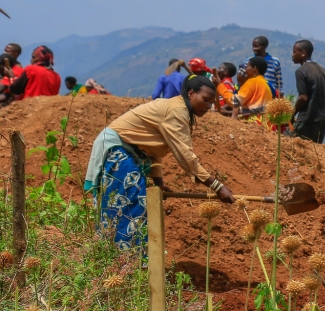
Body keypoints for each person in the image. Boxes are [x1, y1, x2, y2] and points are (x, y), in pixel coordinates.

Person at [83, 75, 235, 249]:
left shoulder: (178, 109)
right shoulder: (176, 111)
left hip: (128, 152)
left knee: (125, 206)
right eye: (206, 100)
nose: (208, 106)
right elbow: (186, 156)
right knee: (127, 207)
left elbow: (152, 151)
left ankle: (121, 260)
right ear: (191, 93)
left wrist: (159, 183)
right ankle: (124, 262)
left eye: (211, 102)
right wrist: (216, 186)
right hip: (118, 151)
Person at [290, 40, 325, 143]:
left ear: (303, 53)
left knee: (292, 145)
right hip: (321, 120)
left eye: (294, 52)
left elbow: (303, 97)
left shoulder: (301, 71)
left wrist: (292, 113)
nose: (292, 55)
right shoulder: (320, 68)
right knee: (314, 152)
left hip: (307, 120)